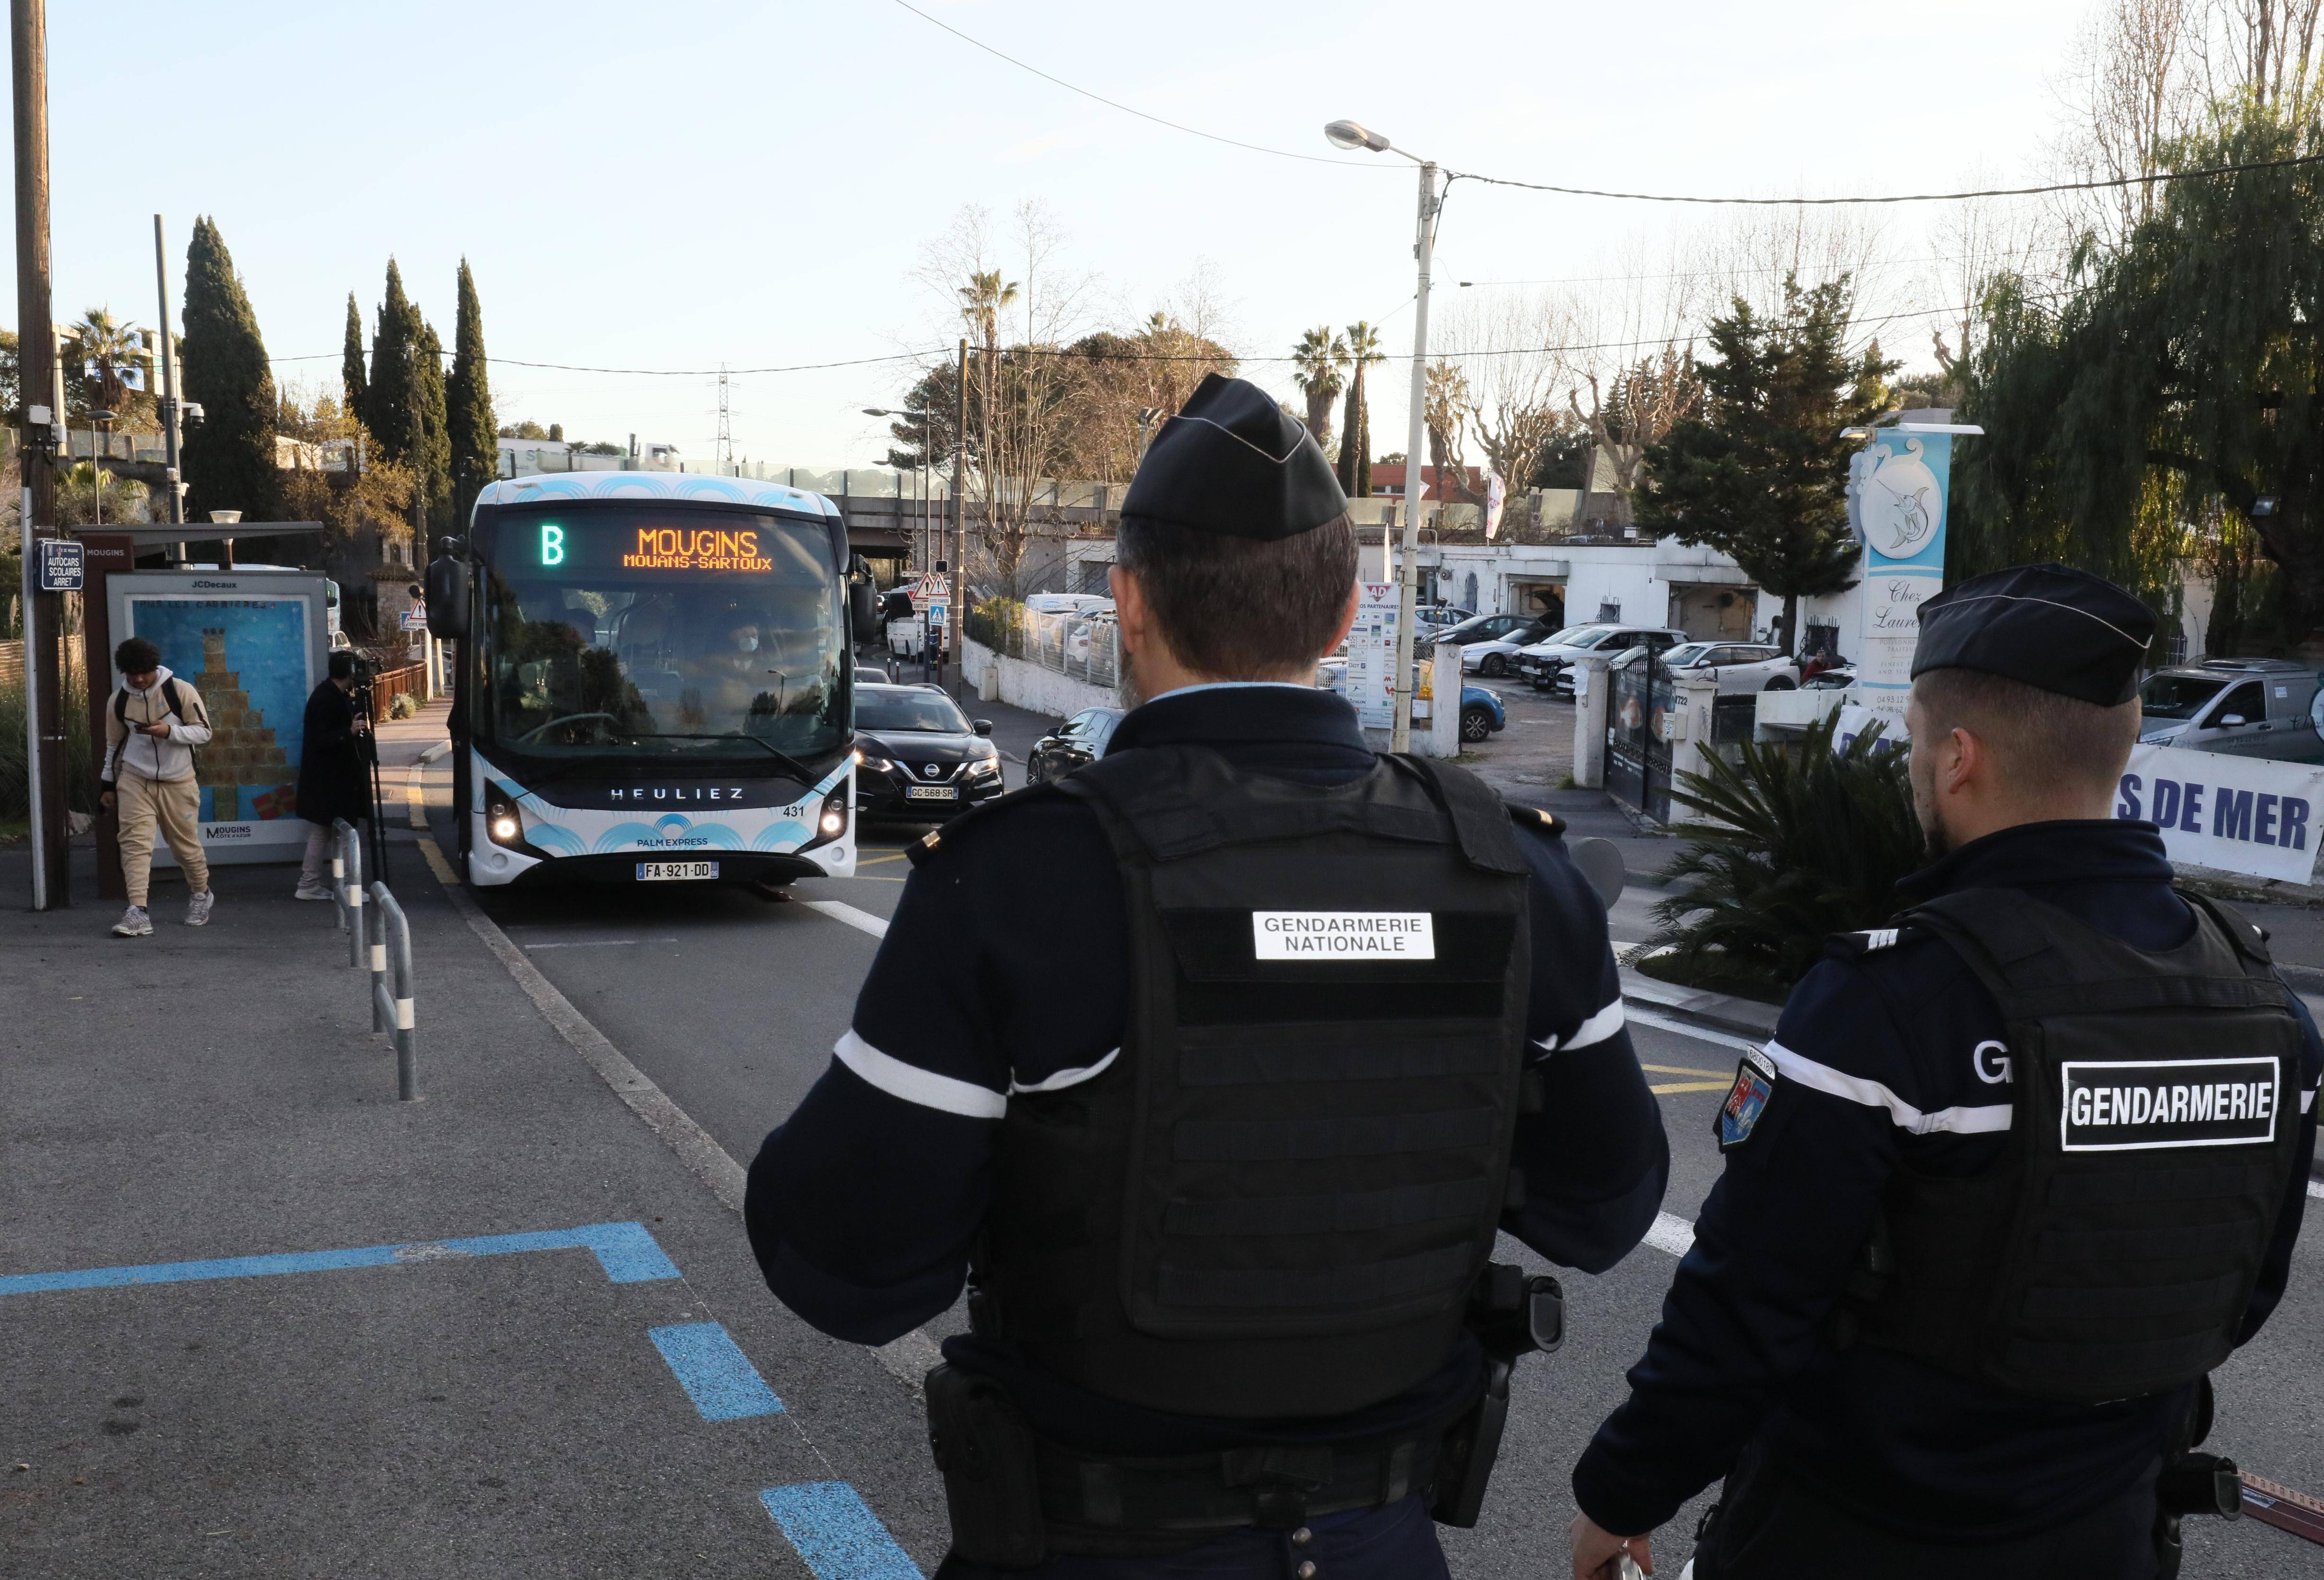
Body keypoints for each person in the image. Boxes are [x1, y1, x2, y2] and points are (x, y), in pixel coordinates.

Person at [746, 374, 1669, 1578]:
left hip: (1091, 1546)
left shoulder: (1020, 880)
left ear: (1127, 602)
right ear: (1345, 612)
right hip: (1382, 1545)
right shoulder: (1514, 873)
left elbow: (846, 1268)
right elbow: (1607, 1210)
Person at [1566, 563, 2322, 1580]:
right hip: (2111, 1538)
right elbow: (2242, 1294)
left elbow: (1746, 1309)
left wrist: (1623, 1491)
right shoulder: (2265, 1009)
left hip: (1857, 1537)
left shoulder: (1893, 1002)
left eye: (1917, 740)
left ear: (1958, 757)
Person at [100, 635, 215, 938]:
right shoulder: (118, 701)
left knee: (184, 846)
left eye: (144, 672)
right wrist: (107, 785)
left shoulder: (180, 690)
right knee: (134, 844)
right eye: (132, 673)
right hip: (134, 779)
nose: (138, 679)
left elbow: (204, 732)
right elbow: (113, 745)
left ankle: (201, 894)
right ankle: (138, 911)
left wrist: (170, 732)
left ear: (155, 668)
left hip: (178, 780)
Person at [293, 651, 372, 901]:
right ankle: (347, 886)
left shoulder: (330, 694)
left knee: (325, 832)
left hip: (327, 780)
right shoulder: (327, 699)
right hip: (331, 781)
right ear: (350, 671)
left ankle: (310, 884)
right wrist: (349, 731)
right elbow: (322, 739)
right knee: (345, 833)